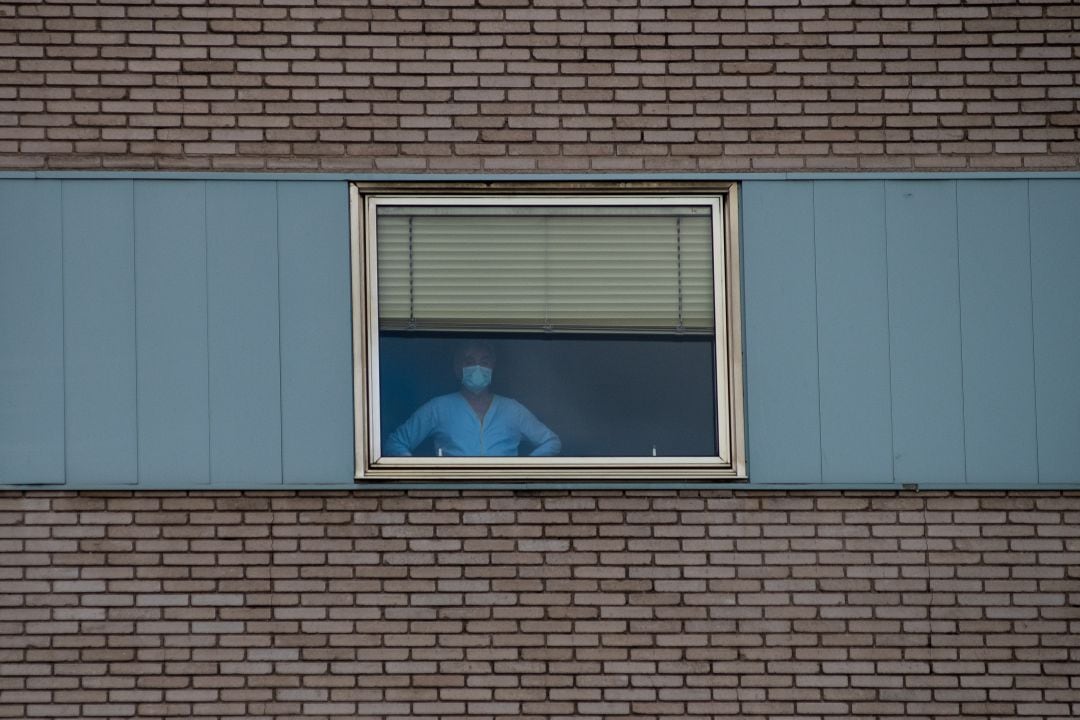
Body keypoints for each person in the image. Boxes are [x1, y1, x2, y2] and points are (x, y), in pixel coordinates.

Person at [384, 341, 561, 457]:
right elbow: (395, 444)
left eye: (484, 362)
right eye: (469, 362)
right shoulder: (438, 408)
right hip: (453, 497)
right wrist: (422, 475)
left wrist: (524, 469)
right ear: (457, 368)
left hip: (506, 497)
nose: (477, 368)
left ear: (493, 367)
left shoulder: (512, 410)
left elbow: (551, 442)